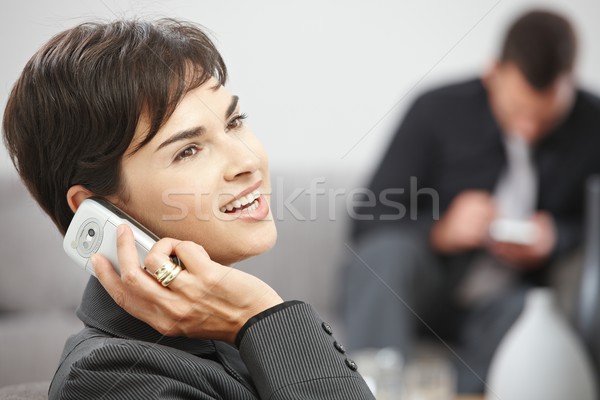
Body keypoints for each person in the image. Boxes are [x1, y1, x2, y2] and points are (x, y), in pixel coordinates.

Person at [2, 19, 374, 399]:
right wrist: (257, 315)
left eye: (234, 122)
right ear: (96, 208)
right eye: (188, 150)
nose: (246, 160)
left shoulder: (215, 334)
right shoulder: (112, 380)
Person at [341, 9, 600, 393]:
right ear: (493, 73)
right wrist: (440, 231)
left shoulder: (591, 123)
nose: (528, 131)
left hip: (508, 302)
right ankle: (371, 389)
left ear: (569, 85)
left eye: (544, 119)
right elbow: (366, 218)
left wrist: (555, 238)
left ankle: (452, 390)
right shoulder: (436, 109)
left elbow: (589, 226)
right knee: (385, 254)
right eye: (518, 112)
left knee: (532, 313)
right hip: (428, 287)